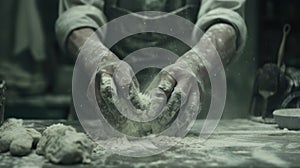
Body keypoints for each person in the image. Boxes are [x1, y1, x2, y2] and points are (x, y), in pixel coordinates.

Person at [56, 0, 247, 136]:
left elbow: (225, 17)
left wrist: (196, 63)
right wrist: (98, 58)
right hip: (97, 117)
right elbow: (77, 14)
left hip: (190, 118)